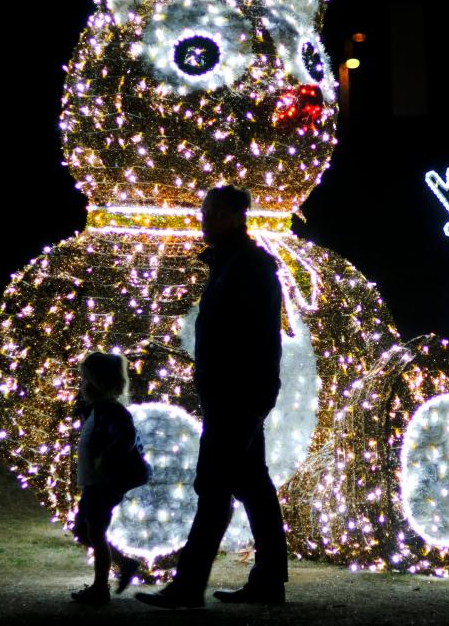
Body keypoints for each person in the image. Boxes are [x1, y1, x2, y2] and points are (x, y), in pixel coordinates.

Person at [136, 185, 287, 609]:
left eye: (212, 212)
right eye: (205, 211)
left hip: (236, 396)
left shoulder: (248, 267)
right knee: (251, 484)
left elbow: (253, 338)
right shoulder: (233, 264)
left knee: (216, 485)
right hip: (234, 393)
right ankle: (268, 580)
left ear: (233, 217)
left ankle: (189, 586)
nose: (204, 219)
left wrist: (249, 392)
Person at [71, 352, 149, 605]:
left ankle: (99, 589)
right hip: (94, 482)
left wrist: (106, 458)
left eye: (85, 380)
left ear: (98, 383)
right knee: (83, 530)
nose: (81, 386)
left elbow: (125, 438)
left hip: (104, 484)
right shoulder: (95, 410)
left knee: (95, 531)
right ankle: (125, 563)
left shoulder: (113, 412)